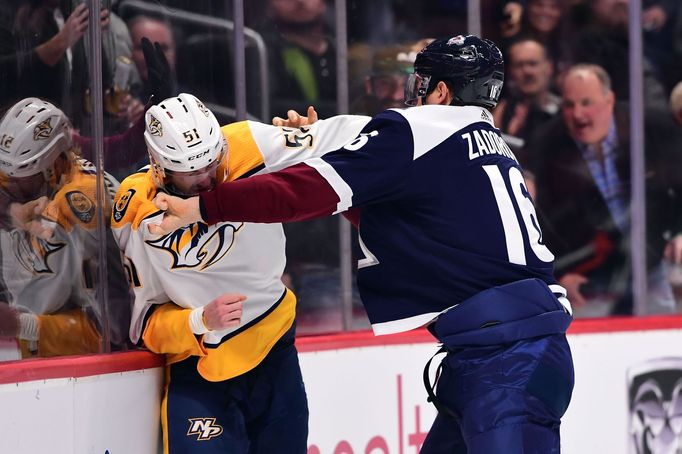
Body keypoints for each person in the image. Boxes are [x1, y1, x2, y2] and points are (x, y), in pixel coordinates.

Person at [149, 35, 575, 453]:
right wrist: (314, 146)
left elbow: (309, 191)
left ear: (442, 91)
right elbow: (397, 219)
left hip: (507, 361)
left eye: (421, 84)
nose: (413, 96)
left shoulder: (423, 127)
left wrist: (204, 207)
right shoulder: (491, 144)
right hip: (501, 352)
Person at [110, 91, 368, 451]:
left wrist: (314, 137)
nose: (205, 180)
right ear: (159, 167)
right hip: (199, 368)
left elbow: (357, 137)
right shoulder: (136, 211)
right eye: (191, 174)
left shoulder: (249, 143)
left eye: (211, 166)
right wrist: (198, 322)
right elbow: (145, 322)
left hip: (275, 351)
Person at [523, 64, 682, 313]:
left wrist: (679, 231)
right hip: (590, 277)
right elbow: (538, 222)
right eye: (569, 105)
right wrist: (559, 274)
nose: (578, 114)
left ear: (609, 100)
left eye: (587, 103)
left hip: (655, 259)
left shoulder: (648, 127)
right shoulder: (545, 144)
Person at [0, 97, 130, 361]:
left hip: (95, 376)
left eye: (16, 177)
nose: (6, 185)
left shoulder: (83, 209)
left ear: (50, 168)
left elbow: (113, 330)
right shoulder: (37, 187)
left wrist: (21, 325)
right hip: (41, 361)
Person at [493, 37, 559, 145]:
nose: (527, 71)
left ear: (549, 67)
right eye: (519, 65)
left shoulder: (566, 109)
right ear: (510, 72)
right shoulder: (501, 113)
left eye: (533, 63)